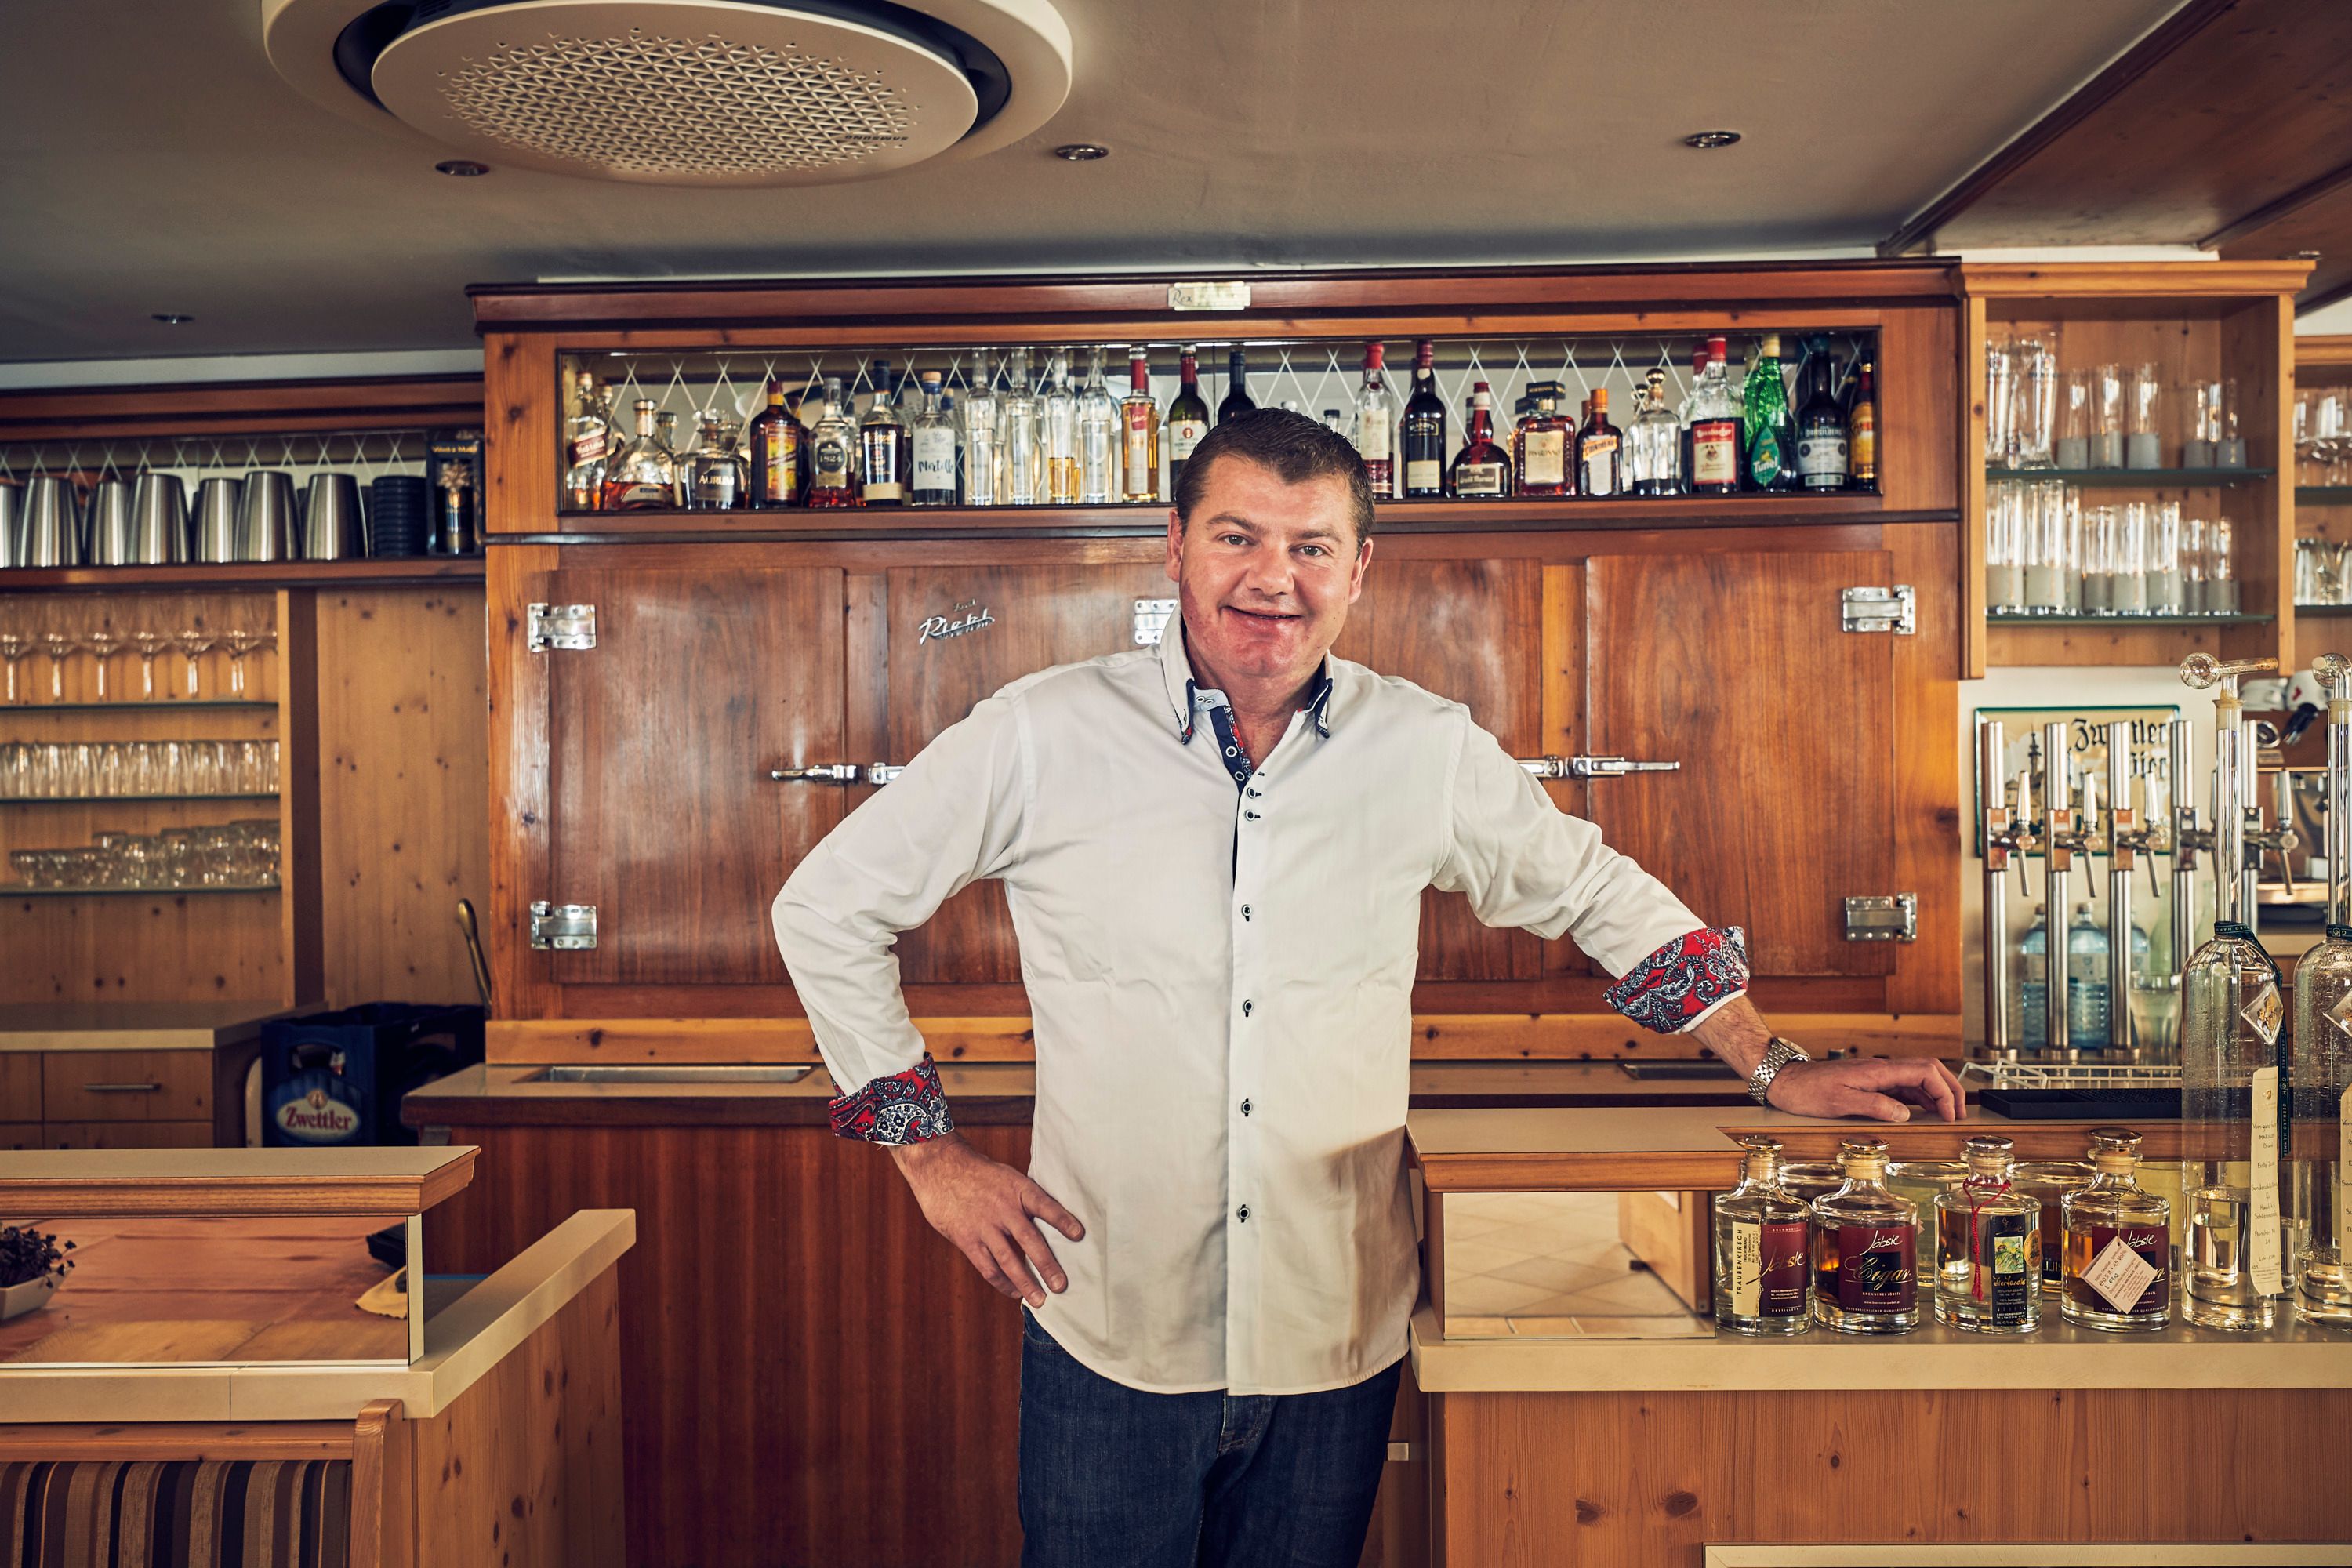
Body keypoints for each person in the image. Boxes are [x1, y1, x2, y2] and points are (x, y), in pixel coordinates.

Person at [772, 408, 1963, 1566]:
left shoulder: (1425, 747)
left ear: (1360, 571)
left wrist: (1776, 1065)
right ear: (1174, 546)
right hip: (1110, 1323)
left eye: (1310, 545)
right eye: (1237, 537)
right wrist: (929, 1160)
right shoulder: (1040, 734)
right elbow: (825, 908)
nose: (1271, 577)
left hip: (1333, 1329)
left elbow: (1597, 893)